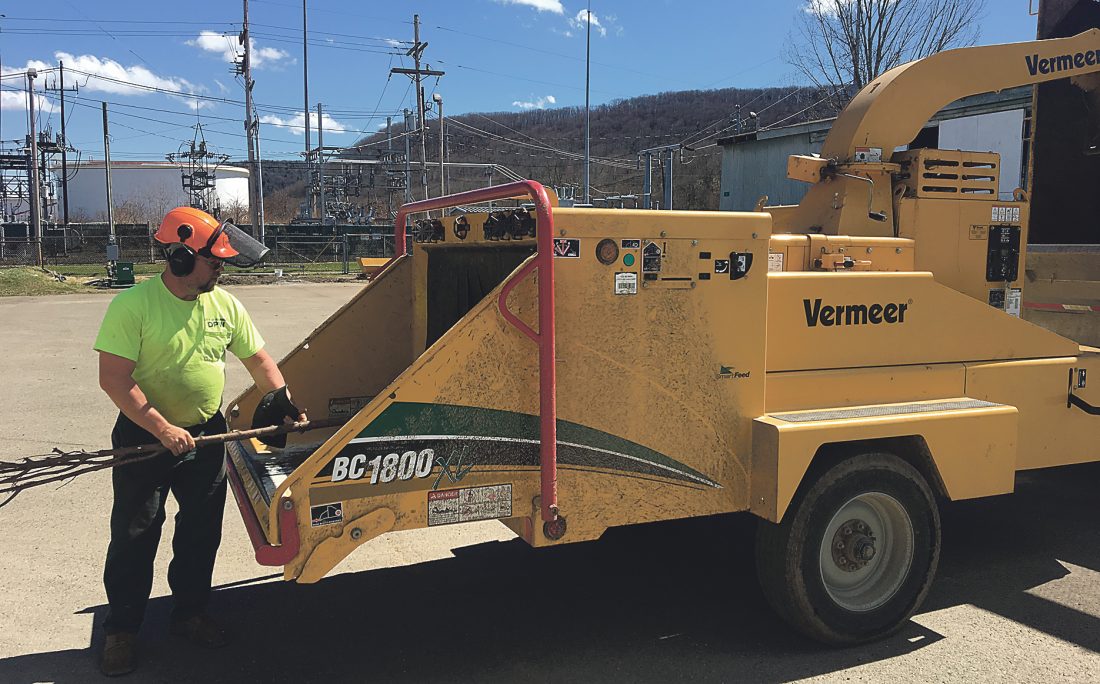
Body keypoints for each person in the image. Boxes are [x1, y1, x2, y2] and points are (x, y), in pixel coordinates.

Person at [93, 207, 303, 677]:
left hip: (207, 434)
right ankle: (121, 629)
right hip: (144, 438)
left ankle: (189, 614)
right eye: (213, 262)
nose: (220, 270)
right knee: (135, 534)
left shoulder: (224, 305)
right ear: (181, 258)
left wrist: (282, 400)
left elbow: (259, 360)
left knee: (200, 532)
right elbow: (115, 379)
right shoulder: (133, 306)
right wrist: (162, 428)